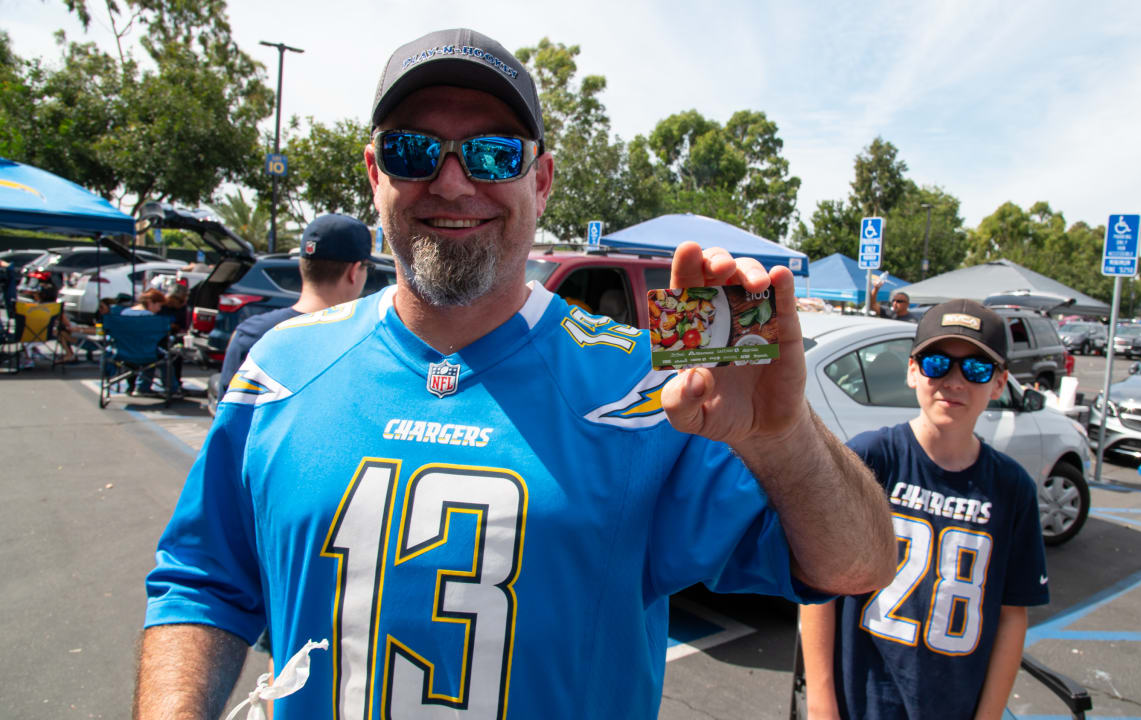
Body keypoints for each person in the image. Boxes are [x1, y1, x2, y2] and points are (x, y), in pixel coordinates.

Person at [134, 28, 896, 720]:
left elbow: (859, 564)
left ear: (541, 181)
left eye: (495, 153)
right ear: (374, 174)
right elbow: (201, 583)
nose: (454, 182)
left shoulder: (650, 387)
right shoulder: (283, 366)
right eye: (414, 151)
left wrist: (784, 435)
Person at [800, 299, 1049, 720]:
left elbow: (1012, 615)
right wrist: (822, 705)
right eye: (937, 363)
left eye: (975, 369)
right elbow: (818, 591)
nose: (954, 381)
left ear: (999, 383)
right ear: (913, 370)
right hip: (863, 702)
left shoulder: (1012, 489)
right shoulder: (871, 458)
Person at [217, 214, 373, 401]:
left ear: (302, 266)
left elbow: (227, 418)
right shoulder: (365, 343)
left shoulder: (250, 334)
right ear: (354, 272)